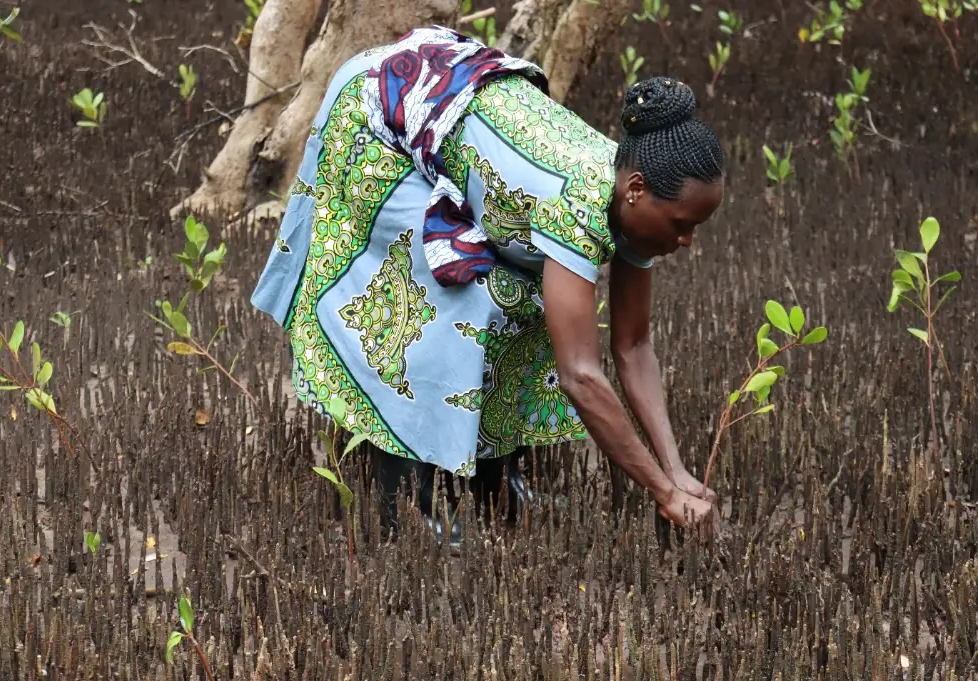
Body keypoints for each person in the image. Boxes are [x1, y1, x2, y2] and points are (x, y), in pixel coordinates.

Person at [250, 25, 724, 548]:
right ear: (636, 190)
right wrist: (660, 491)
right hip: (381, 112)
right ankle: (406, 498)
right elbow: (582, 377)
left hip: (459, 111)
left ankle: (492, 481)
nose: (687, 241)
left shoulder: (635, 199)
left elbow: (633, 346)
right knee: (450, 306)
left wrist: (677, 472)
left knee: (528, 302)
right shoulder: (578, 204)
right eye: (682, 224)